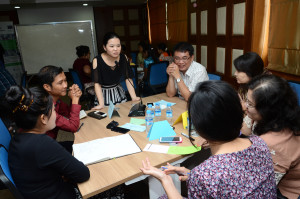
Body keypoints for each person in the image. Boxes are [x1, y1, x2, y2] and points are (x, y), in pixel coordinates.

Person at [140, 81, 276, 198]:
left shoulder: (205, 175)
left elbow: (215, 178)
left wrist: (166, 180)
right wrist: (192, 174)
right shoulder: (259, 143)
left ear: (199, 128)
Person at [0, 85, 90, 199]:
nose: (56, 114)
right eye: (53, 110)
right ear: (43, 118)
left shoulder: (17, 137)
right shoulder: (43, 144)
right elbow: (83, 174)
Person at [246, 75, 300, 198]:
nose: (245, 106)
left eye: (249, 103)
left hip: (284, 192)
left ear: (267, 110)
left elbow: (262, 188)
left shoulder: (273, 142)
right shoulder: (283, 115)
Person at [37, 65, 82, 153]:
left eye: (65, 80)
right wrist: (75, 99)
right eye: (60, 83)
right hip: (43, 150)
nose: (65, 85)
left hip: (50, 143)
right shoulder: (46, 107)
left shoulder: (56, 100)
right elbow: (73, 126)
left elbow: (71, 115)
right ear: (47, 87)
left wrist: (74, 99)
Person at [92, 32, 140, 109]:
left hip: (118, 92)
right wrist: (101, 104)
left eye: (118, 46)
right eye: (111, 46)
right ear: (104, 47)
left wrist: (133, 97)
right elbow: (97, 84)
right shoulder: (97, 60)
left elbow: (128, 78)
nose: (116, 49)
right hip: (103, 94)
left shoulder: (123, 57)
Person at [233, 52, 265, 135]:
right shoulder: (244, 87)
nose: (235, 73)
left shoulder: (264, 92)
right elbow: (245, 130)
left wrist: (245, 109)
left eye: (238, 71)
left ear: (250, 72)